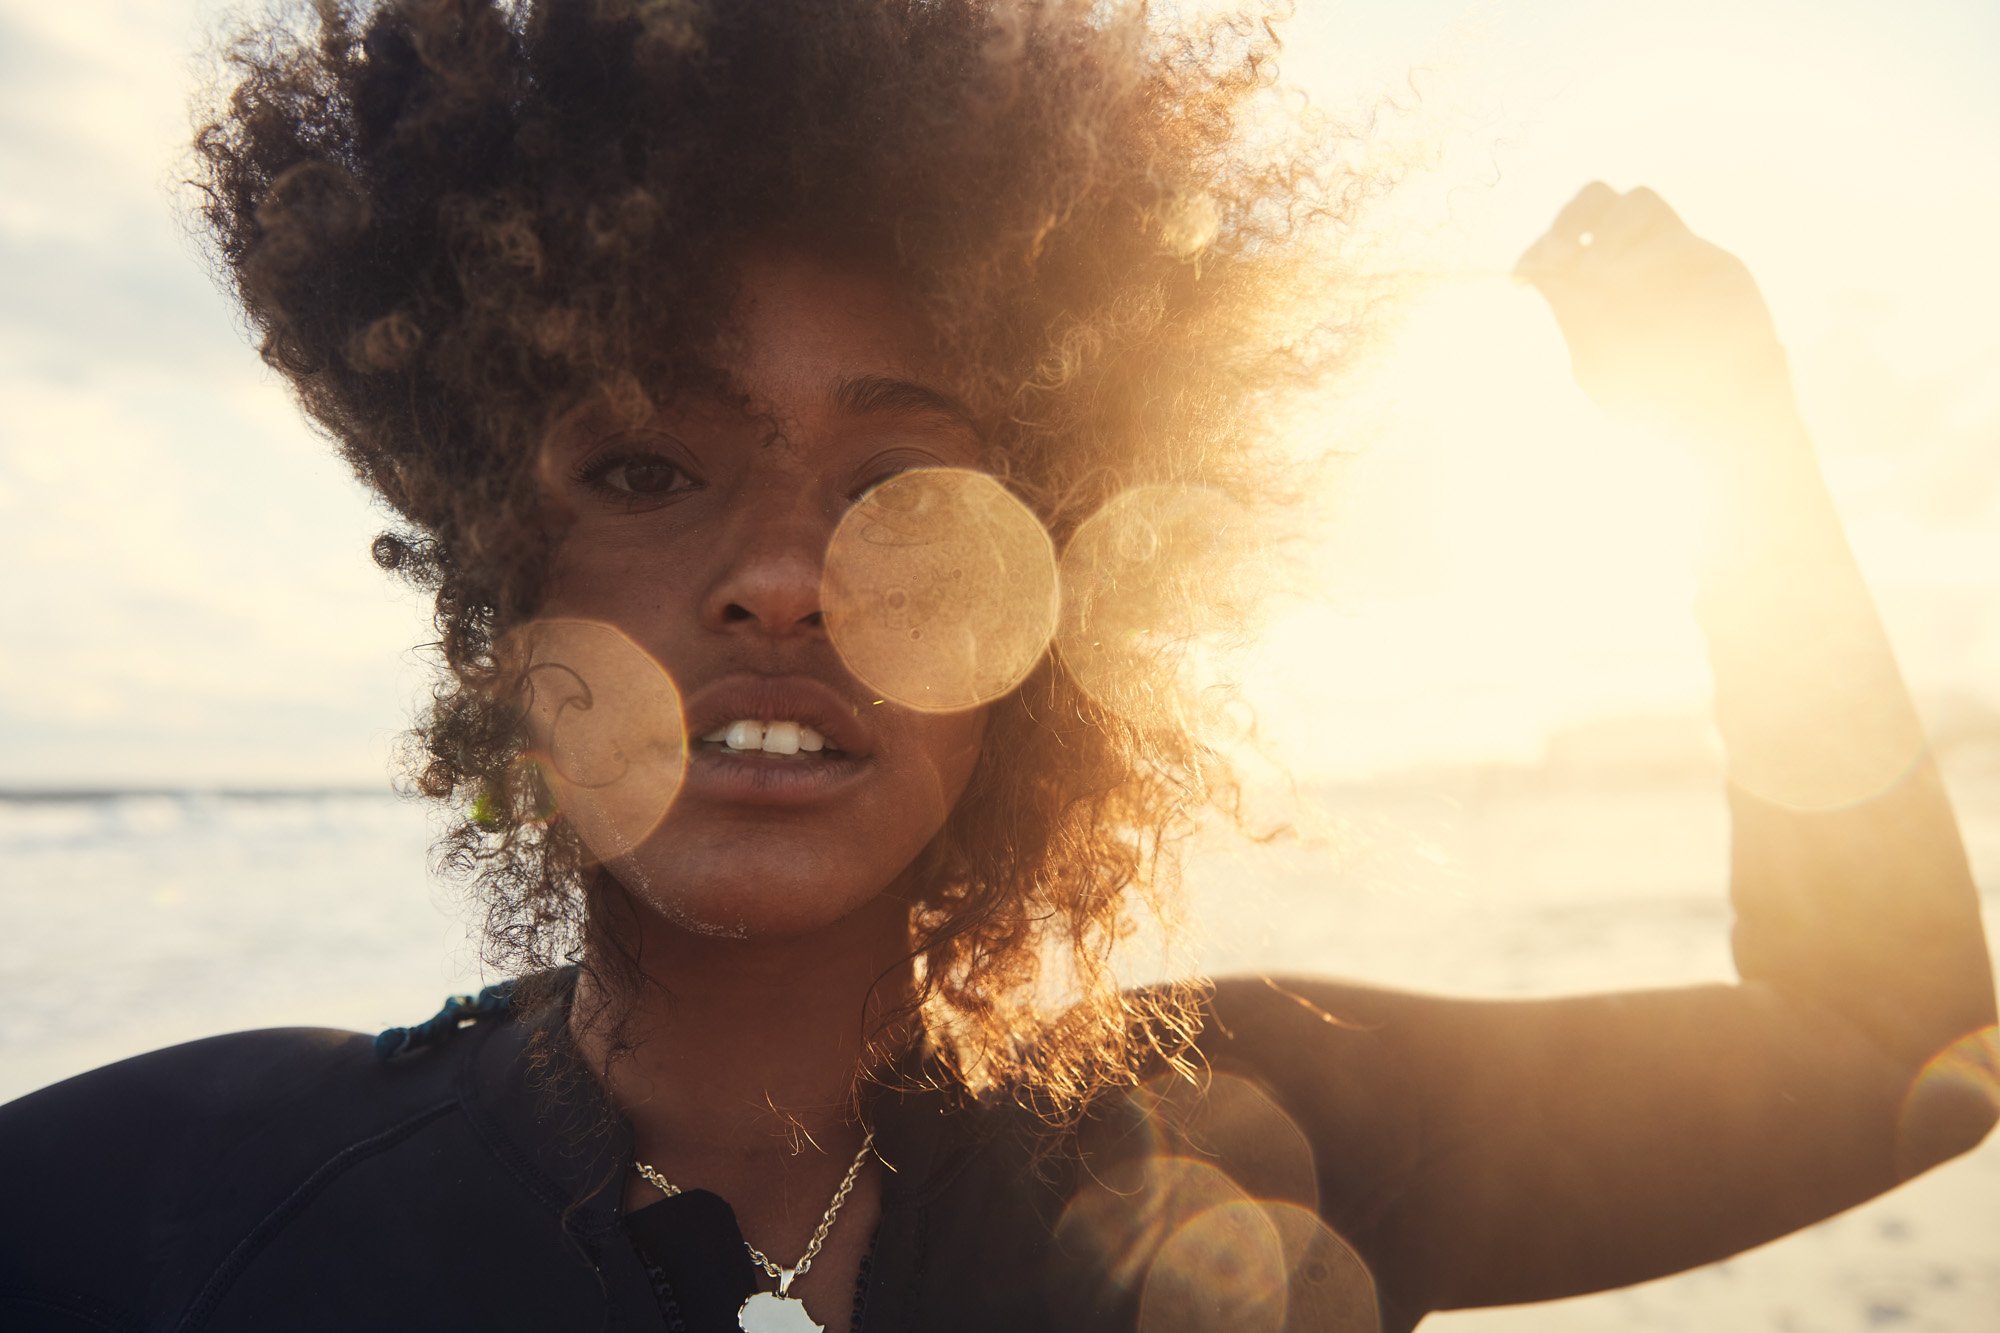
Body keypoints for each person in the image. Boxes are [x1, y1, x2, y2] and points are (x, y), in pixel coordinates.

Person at [2, 2, 1993, 1331]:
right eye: (645, 463)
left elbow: (1887, 1048)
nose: (783, 572)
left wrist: (1736, 439)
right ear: (504, 589)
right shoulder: (181, 1212)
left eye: (908, 481)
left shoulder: (1247, 1148)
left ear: (1042, 619)